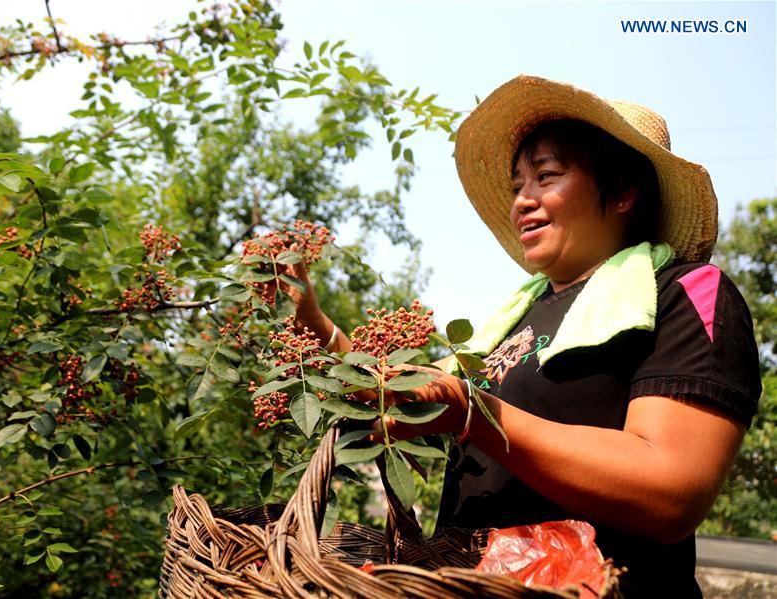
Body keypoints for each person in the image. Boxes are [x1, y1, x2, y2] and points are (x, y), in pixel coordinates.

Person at [282, 75, 761, 597]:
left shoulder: (684, 292)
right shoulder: (516, 320)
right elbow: (406, 395)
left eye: (546, 177)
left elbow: (671, 491)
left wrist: (477, 413)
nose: (522, 203)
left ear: (623, 190)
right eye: (516, 187)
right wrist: (315, 322)